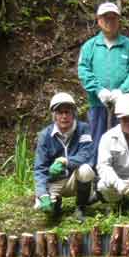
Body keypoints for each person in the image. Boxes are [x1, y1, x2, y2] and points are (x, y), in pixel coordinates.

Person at [78, 2, 129, 162]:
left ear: (118, 20)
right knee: (97, 141)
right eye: (105, 18)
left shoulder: (128, 46)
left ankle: (122, 177)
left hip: (123, 107)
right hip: (97, 104)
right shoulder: (90, 46)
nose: (109, 21)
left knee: (122, 141)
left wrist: (122, 90)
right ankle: (97, 180)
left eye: (113, 18)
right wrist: (98, 90)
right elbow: (83, 70)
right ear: (98, 20)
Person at [34, 93, 96, 221]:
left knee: (85, 170)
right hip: (55, 180)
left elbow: (86, 154)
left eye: (67, 112)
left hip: (74, 179)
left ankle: (81, 207)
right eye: (60, 113)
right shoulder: (45, 135)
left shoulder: (83, 129)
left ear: (73, 113)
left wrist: (66, 161)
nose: (64, 116)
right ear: (54, 115)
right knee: (43, 205)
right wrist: (42, 194)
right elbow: (40, 169)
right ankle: (56, 205)